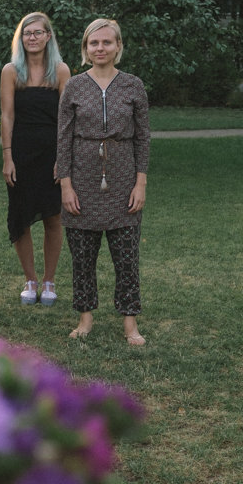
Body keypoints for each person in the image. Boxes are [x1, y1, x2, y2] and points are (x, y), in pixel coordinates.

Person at [58, 19, 149, 345]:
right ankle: (85, 318)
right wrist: (65, 184)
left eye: (106, 43)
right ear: (86, 48)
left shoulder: (133, 86)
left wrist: (140, 184)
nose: (100, 48)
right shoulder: (74, 87)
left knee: (127, 258)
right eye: (94, 43)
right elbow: (63, 139)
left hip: (124, 179)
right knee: (82, 257)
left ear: (118, 47)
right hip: (81, 179)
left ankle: (130, 323)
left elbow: (143, 138)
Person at [0, 12, 69, 306]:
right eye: (27, 33)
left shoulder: (62, 71)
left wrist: (63, 158)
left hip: (53, 152)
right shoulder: (11, 71)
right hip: (21, 153)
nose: (32, 37)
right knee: (21, 218)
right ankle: (30, 280)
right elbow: (6, 115)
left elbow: (67, 120)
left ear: (48, 36)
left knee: (54, 217)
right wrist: (7, 157)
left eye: (38, 32)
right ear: (21, 38)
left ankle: (49, 281)